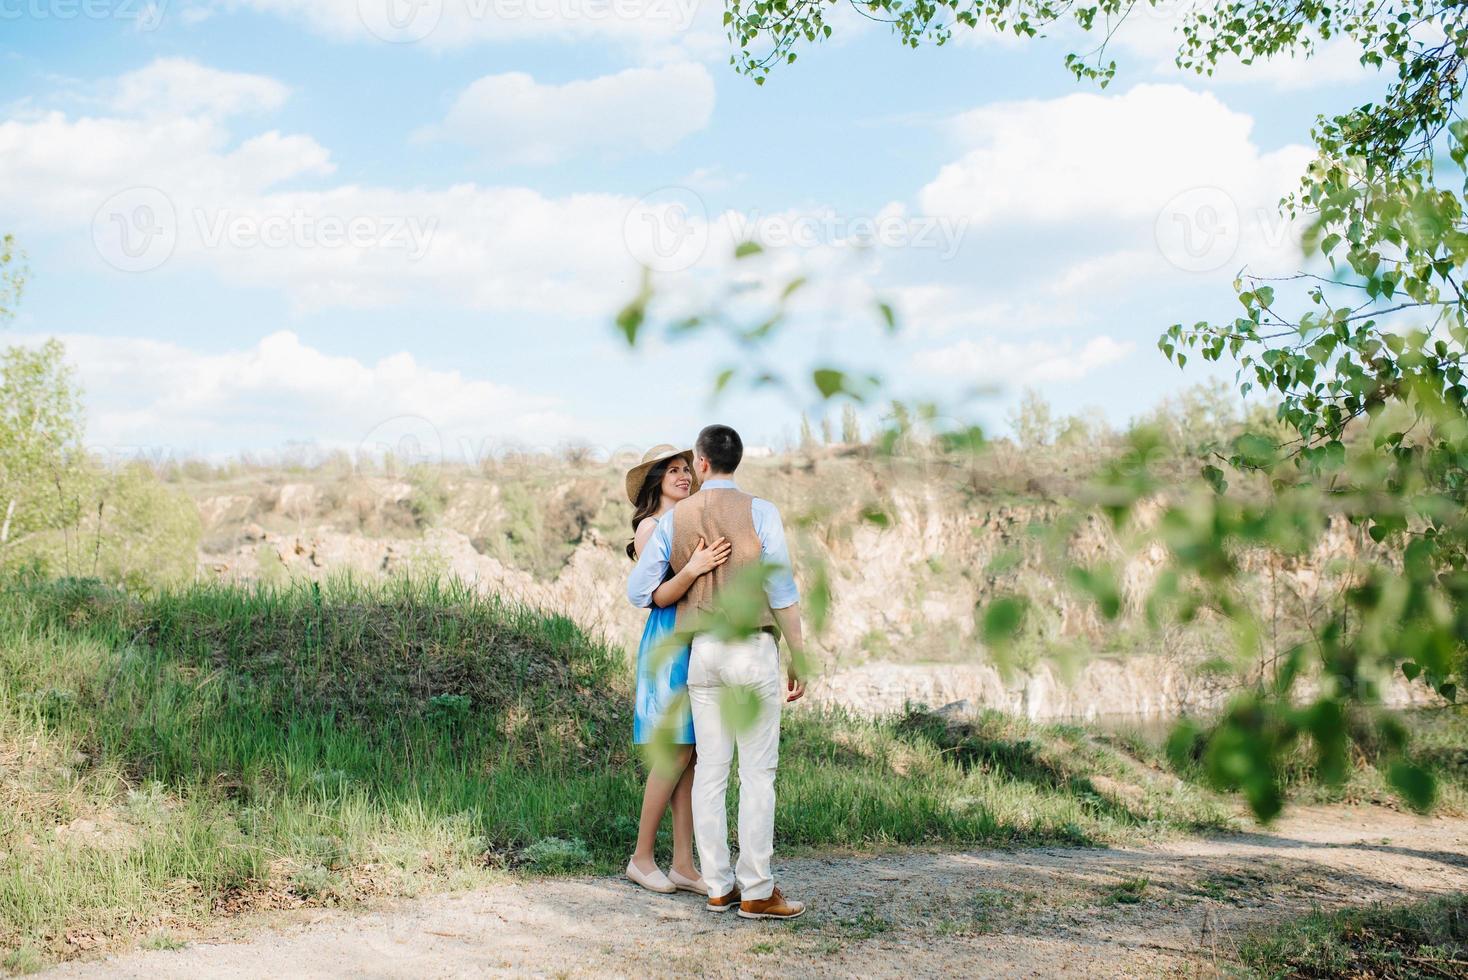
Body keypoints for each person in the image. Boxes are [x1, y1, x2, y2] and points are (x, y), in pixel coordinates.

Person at [627, 424, 807, 921]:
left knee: (709, 770)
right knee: (757, 772)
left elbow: (639, 591)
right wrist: (798, 653)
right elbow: (783, 590)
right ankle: (756, 889)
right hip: (749, 649)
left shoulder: (677, 518)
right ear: (736, 461)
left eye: (690, 464)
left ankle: (716, 886)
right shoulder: (761, 511)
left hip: (701, 652)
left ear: (703, 463)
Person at [622, 444, 732, 895]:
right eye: (672, 470)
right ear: (656, 481)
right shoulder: (652, 526)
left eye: (687, 468)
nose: (684, 475)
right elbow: (653, 592)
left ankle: (684, 864)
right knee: (674, 754)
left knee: (690, 757)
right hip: (668, 638)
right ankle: (641, 857)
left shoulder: (687, 521)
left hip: (692, 636)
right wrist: (695, 566)